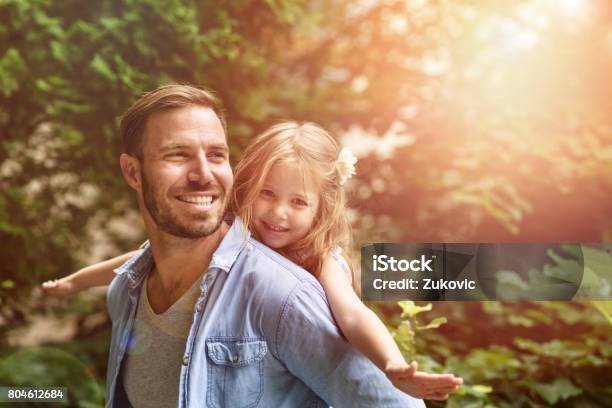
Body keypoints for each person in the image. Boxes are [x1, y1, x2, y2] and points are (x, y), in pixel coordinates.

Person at [45, 84, 461, 407]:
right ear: (132, 172)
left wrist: (391, 366)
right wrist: (74, 282)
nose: (202, 173)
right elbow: (133, 258)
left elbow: (356, 322)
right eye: (178, 155)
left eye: (215, 154)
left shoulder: (289, 291)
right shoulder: (128, 288)